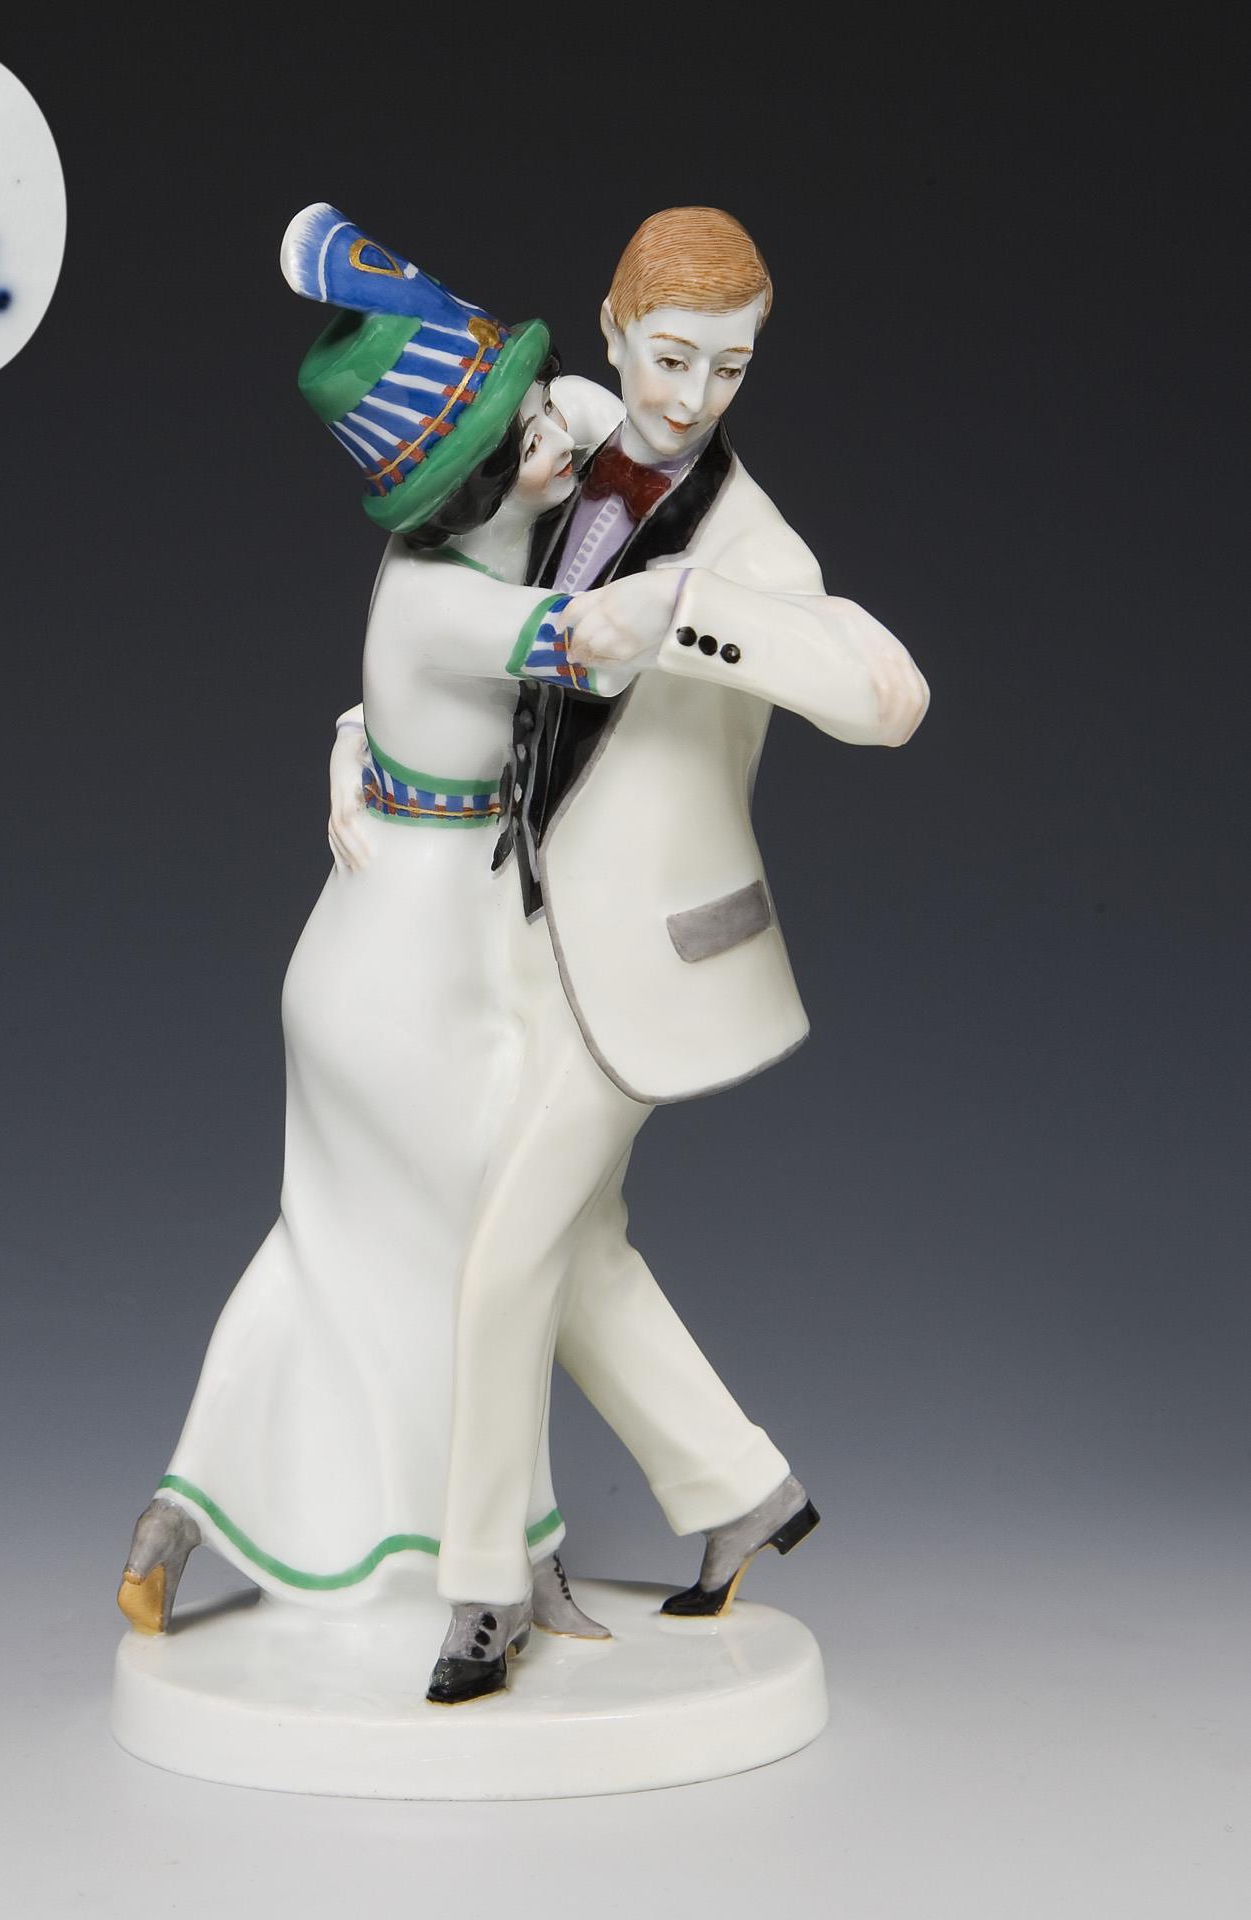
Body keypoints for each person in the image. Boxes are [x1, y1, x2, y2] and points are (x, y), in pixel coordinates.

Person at [414, 208, 930, 1704]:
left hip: (647, 960)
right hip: (517, 922)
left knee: (503, 1252)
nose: (693, 396)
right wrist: (360, 734)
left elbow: (886, 698)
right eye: (669, 356)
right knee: (579, 1255)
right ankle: (740, 1490)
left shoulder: (757, 548)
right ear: (611, 326)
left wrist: (686, 607)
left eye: (731, 367)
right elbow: (448, 604)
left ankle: (482, 1582)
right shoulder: (567, 438)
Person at [116, 206, 633, 1639]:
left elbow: (582, 428)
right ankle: (512, 1560)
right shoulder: (457, 608)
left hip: (378, 948)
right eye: (525, 431)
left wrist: (351, 741)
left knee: (331, 1255)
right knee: (497, 1255)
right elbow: (599, 644)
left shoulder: (441, 571)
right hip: (415, 976)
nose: (556, 427)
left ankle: (179, 1515)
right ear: (475, 485)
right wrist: (750, 604)